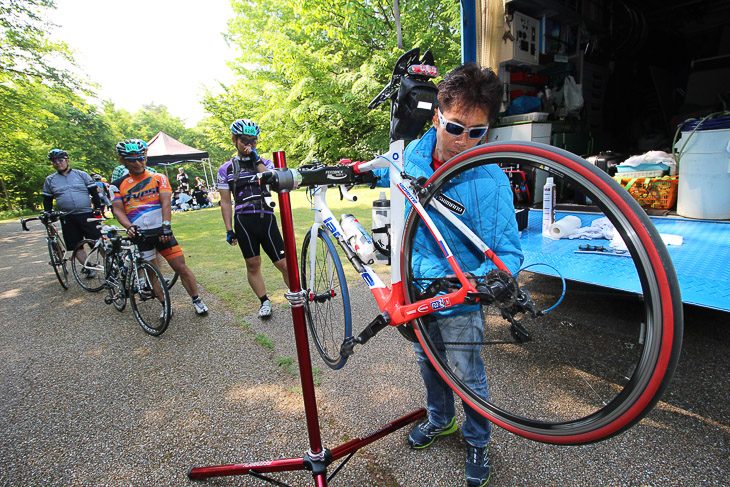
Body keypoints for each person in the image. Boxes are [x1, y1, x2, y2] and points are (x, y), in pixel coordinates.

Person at [375, 63, 523, 487]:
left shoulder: (491, 178)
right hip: (415, 285)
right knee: (427, 358)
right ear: (437, 116)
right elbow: (390, 218)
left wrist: (483, 281)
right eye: (456, 128)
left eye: (477, 133)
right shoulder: (405, 159)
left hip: (461, 292)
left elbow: (508, 252)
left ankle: (478, 439)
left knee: (466, 369)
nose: (464, 142)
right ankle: (440, 420)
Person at [109, 139, 209, 316]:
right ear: (123, 161)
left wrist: (166, 226)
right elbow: (118, 210)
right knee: (151, 274)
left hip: (161, 231)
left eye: (142, 158)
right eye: (132, 160)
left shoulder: (158, 178)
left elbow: (165, 203)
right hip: (140, 235)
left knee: (181, 267)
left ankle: (196, 300)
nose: (139, 163)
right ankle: (165, 305)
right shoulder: (116, 185)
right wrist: (129, 226)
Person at [216, 118, 290, 317]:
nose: (249, 145)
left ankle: (296, 294)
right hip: (244, 221)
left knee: (283, 263)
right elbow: (225, 201)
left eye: (253, 141)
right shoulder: (226, 169)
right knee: (253, 264)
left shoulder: (264, 162)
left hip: (266, 217)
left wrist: (255, 158)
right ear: (234, 140)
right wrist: (228, 229)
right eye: (244, 141)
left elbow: (273, 180)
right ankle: (264, 301)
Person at [42, 149, 102, 275]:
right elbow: (47, 199)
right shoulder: (50, 180)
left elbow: (94, 193)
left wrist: (97, 207)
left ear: (67, 160)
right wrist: (47, 213)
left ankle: (111, 266)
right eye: (54, 161)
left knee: (97, 241)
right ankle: (89, 267)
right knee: (76, 245)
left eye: (60, 160)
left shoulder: (81, 175)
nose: (58, 163)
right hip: (67, 216)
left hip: (86, 214)